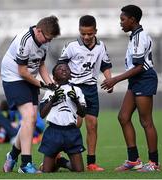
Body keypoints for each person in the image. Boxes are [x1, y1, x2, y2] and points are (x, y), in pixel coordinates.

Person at [101, 5, 160, 172]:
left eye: (123, 19)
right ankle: (134, 160)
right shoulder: (134, 36)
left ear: (132, 20)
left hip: (144, 78)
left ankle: (154, 163)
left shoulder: (140, 37)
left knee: (146, 121)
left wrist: (115, 80)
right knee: (123, 117)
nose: (121, 23)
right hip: (136, 80)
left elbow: (140, 67)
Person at [1, 15, 60, 173]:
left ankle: (12, 156)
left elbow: (41, 65)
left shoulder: (44, 41)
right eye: (47, 38)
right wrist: (41, 85)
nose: (48, 41)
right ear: (39, 31)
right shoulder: (25, 40)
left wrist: (50, 83)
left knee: (31, 120)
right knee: (29, 117)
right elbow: (22, 71)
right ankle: (25, 164)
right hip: (14, 77)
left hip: (29, 77)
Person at [58, 15, 113, 171]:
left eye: (90, 33)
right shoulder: (71, 46)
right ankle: (56, 156)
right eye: (83, 34)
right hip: (74, 89)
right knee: (74, 124)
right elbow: (61, 65)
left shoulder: (101, 46)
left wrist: (109, 80)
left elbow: (105, 64)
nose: (87, 37)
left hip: (90, 89)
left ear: (95, 31)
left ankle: (91, 163)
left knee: (93, 125)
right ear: (79, 31)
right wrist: (62, 82)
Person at [38, 63, 86, 172]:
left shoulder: (77, 90)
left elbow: (83, 114)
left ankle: (61, 162)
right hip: (53, 131)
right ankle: (54, 162)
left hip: (71, 132)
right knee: (46, 171)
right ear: (54, 77)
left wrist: (76, 101)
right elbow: (42, 114)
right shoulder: (49, 91)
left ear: (70, 75)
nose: (63, 70)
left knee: (79, 170)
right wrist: (53, 99)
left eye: (66, 69)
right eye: (60, 69)